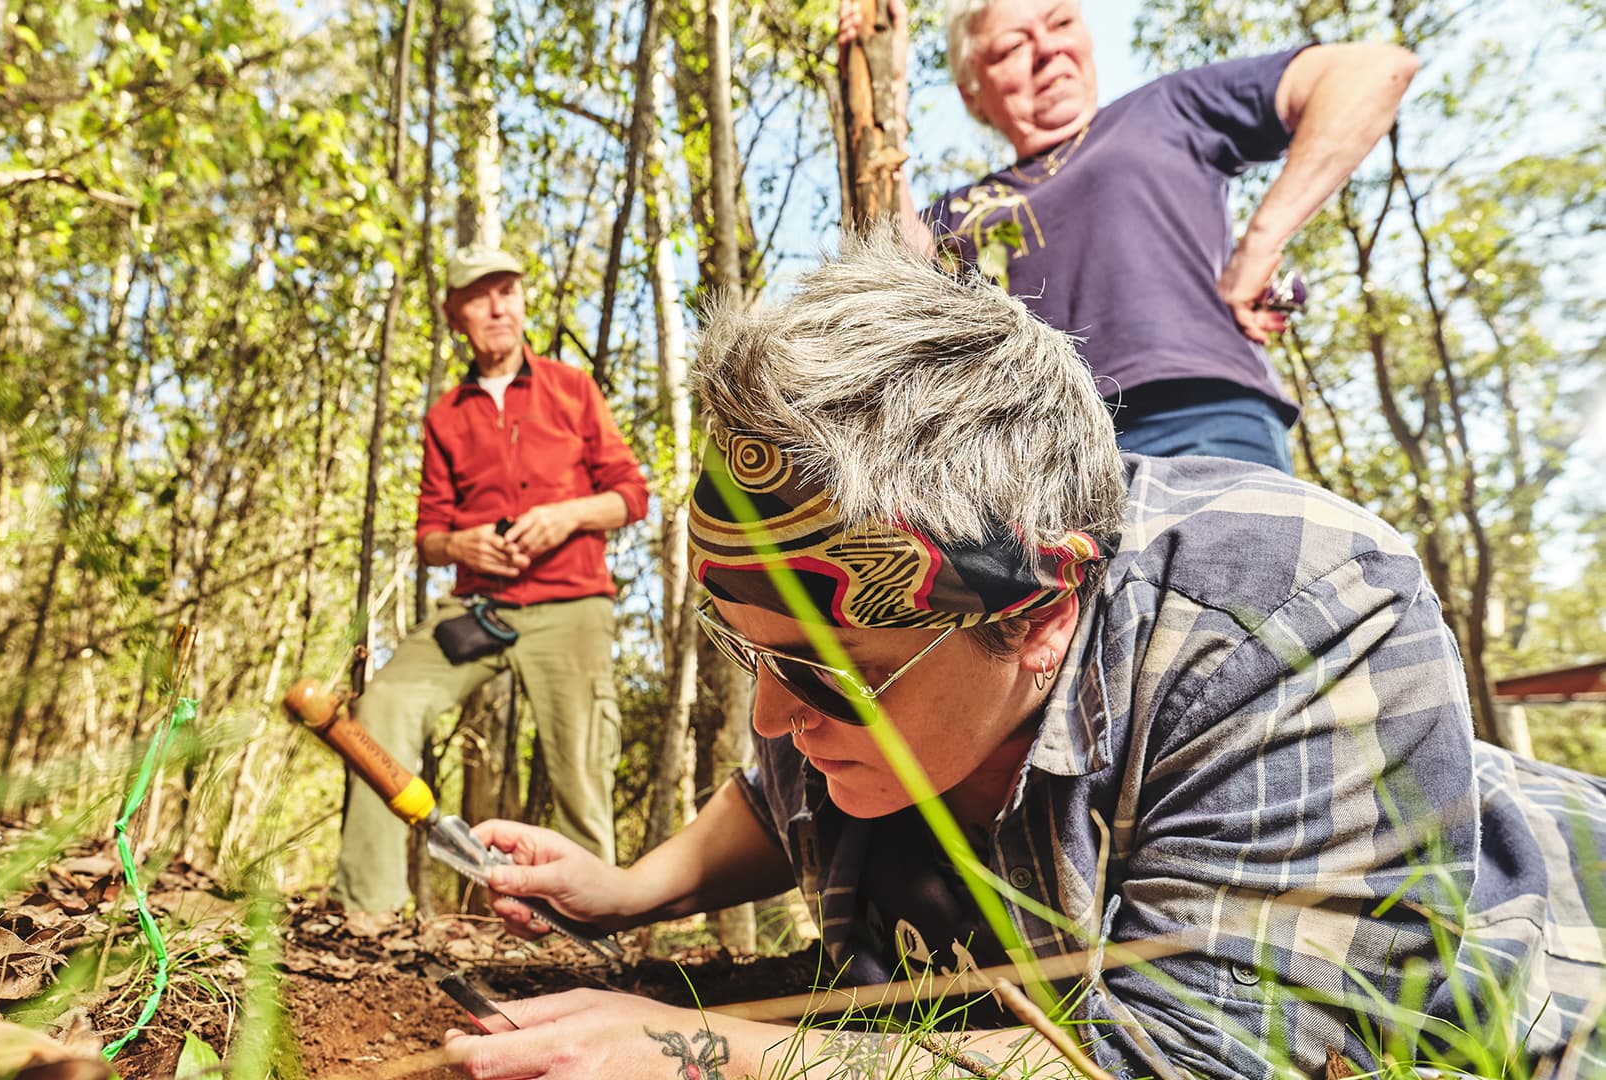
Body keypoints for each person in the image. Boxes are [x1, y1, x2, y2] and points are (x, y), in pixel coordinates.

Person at [440, 229, 1606, 1079]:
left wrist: (709, 1052)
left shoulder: (1293, 612)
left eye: (820, 672)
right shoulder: (891, 655)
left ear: (1042, 613)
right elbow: (780, 780)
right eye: (750, 655)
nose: (771, 715)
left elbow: (1186, 1061)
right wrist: (635, 889)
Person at [836, 0, 1418, 473]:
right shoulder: (955, 211)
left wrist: (1261, 241)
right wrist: (875, 77)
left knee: (1236, 610)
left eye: (1062, 21)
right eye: (1012, 46)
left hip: (1197, 415)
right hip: (1035, 462)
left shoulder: (1163, 109)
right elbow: (886, 274)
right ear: (971, 91)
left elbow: (1371, 71)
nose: (1047, 50)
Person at [331, 247, 648, 913]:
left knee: (581, 764)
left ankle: (592, 926)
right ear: (457, 317)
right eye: (480, 297)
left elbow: (630, 496)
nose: (499, 306)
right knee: (383, 704)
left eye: (508, 290)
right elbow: (427, 536)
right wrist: (459, 542)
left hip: (571, 603)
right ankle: (369, 916)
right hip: (476, 607)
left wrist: (566, 517)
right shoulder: (446, 415)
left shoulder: (571, 388)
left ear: (524, 300)